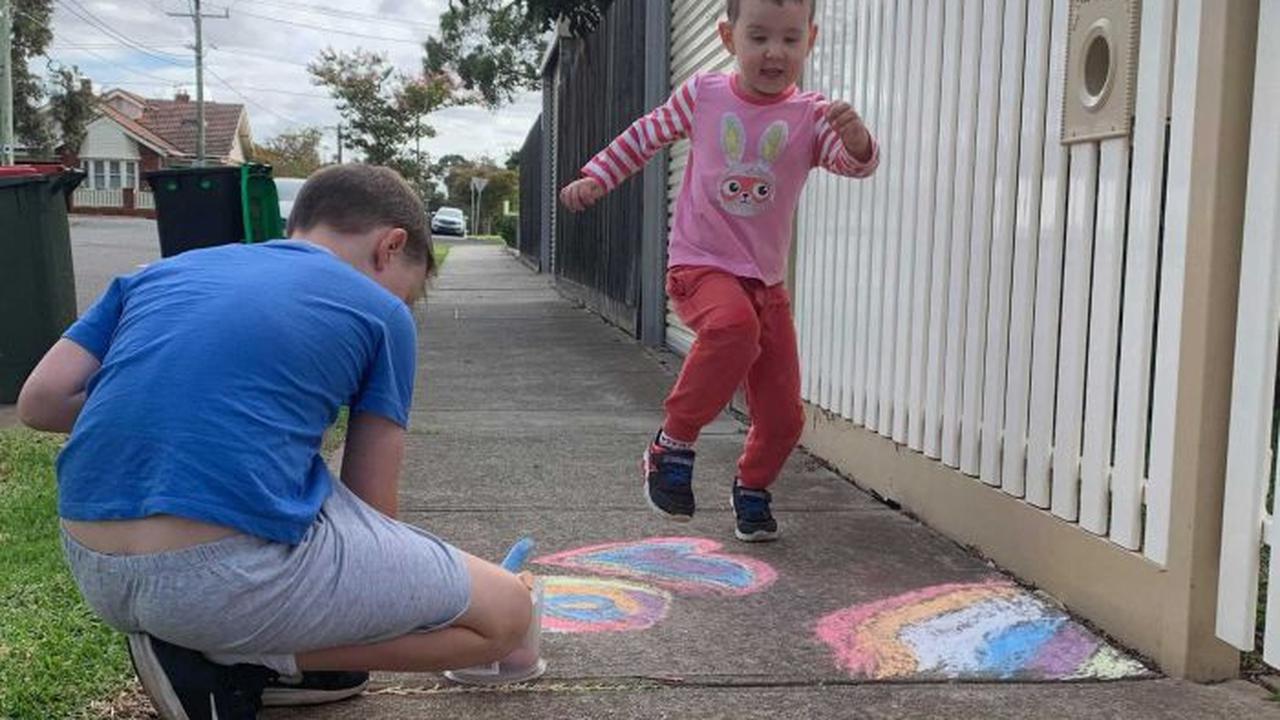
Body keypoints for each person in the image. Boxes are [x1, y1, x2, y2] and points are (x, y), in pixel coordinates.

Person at [18, 165, 533, 719]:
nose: (399, 304)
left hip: (93, 562)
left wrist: (189, 420)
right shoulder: (381, 312)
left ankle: (229, 646)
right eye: (406, 292)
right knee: (504, 616)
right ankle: (238, 658)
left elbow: (41, 401)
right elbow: (374, 512)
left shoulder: (161, 272)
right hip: (218, 581)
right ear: (391, 246)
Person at [560, 0, 879, 542]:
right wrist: (597, 176)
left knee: (784, 418)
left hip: (767, 286)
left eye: (789, 39)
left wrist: (857, 141)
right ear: (729, 37)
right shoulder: (704, 95)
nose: (774, 52)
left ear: (811, 39)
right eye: (758, 37)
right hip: (701, 266)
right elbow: (647, 134)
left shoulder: (810, 115)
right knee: (732, 326)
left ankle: (752, 488)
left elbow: (853, 164)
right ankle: (672, 443)